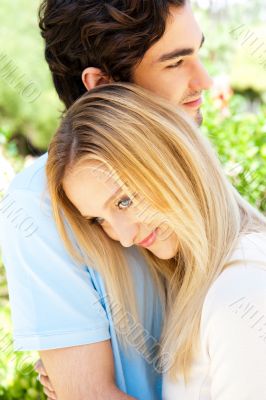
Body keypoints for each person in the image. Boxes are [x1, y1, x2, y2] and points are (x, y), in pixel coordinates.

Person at [0, 1, 212, 399]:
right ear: (102, 85)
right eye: (175, 63)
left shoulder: (190, 168)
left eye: (197, 53)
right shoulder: (40, 203)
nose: (205, 80)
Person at [46, 82, 266, 399]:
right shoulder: (200, 283)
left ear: (172, 160)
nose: (123, 237)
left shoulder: (240, 292)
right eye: (99, 220)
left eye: (124, 201)